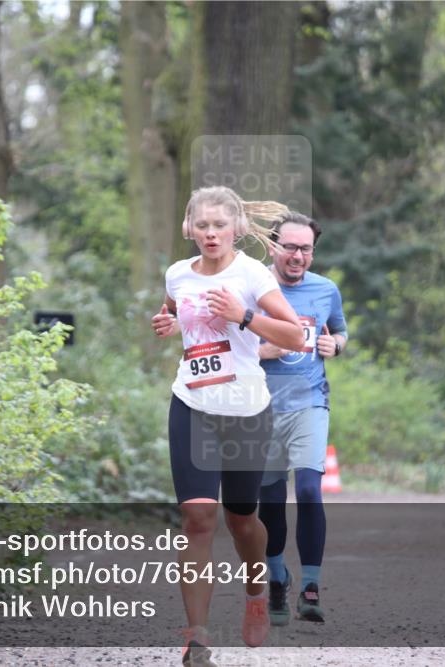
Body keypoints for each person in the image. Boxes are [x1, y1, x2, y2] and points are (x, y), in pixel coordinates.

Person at [151, 186, 305, 667]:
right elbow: (175, 310)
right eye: (202, 225)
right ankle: (196, 637)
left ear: (236, 228)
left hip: (245, 412)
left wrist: (244, 316)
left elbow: (296, 335)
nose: (211, 233)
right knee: (197, 518)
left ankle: (257, 587)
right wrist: (169, 324)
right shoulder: (178, 274)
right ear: (188, 229)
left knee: (241, 519)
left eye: (220, 225)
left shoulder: (252, 274)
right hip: (192, 405)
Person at [256, 212, 347, 626]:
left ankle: (310, 588)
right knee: (269, 504)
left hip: (309, 403)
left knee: (310, 491)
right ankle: (277, 579)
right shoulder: (250, 285)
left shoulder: (325, 290)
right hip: (259, 407)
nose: (297, 256)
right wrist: (263, 351)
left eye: (305, 248)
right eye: (289, 247)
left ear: (314, 251)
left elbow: (340, 330)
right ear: (274, 246)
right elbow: (225, 344)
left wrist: (335, 344)